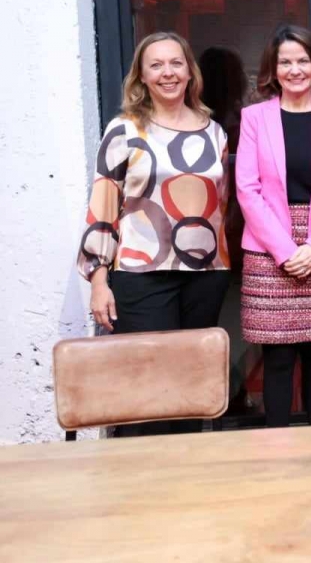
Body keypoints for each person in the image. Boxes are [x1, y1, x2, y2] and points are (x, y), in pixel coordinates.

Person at [77, 31, 231, 435]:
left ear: (190, 72)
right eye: (156, 65)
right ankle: (142, 471)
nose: (168, 73)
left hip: (206, 275)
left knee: (191, 390)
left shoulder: (214, 132)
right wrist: (98, 280)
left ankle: (186, 470)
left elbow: (222, 204)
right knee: (149, 391)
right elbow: (103, 205)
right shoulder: (124, 130)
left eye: (176, 63)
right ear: (142, 76)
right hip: (141, 274)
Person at [237, 25, 311, 428]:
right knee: (277, 357)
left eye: (302, 60)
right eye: (285, 62)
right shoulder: (254, 118)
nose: (295, 70)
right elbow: (247, 190)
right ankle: (278, 445)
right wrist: (286, 250)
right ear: (273, 69)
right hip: (269, 247)